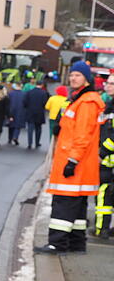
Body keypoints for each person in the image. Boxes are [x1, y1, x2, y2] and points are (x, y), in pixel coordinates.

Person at [36, 61, 104, 254]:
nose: (73, 78)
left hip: (74, 164)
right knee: (78, 209)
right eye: (72, 75)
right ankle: (76, 244)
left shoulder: (87, 102)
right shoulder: (80, 99)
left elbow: (83, 136)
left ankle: (57, 243)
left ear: (86, 79)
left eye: (78, 75)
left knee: (64, 205)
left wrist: (72, 161)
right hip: (77, 164)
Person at [94, 95, 114, 238]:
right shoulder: (107, 107)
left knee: (104, 196)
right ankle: (103, 228)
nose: (109, 86)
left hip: (107, 161)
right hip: (107, 162)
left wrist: (102, 152)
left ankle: (102, 229)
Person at [23, 80, 50, 149]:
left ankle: (30, 143)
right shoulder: (44, 93)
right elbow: (45, 103)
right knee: (38, 128)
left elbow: (25, 102)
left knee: (30, 128)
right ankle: (37, 142)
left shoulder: (29, 92)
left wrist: (27, 108)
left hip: (30, 112)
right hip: (39, 112)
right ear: (42, 85)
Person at [7, 80, 26, 146]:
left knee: (11, 125)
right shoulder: (24, 94)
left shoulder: (10, 93)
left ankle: (9, 138)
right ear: (21, 86)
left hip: (11, 110)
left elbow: (8, 103)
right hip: (20, 111)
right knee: (18, 125)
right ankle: (15, 137)